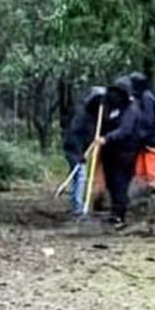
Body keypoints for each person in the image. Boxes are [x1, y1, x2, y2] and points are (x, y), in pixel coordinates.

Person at [96, 78, 140, 228]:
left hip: (125, 153)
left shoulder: (131, 110)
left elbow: (125, 130)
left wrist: (107, 138)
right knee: (111, 183)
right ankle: (115, 212)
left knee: (119, 183)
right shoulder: (112, 108)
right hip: (110, 153)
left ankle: (120, 214)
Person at [62, 87, 105, 218]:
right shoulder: (82, 115)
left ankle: (77, 205)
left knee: (78, 175)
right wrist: (79, 153)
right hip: (74, 148)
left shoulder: (94, 116)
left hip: (81, 149)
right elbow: (74, 134)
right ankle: (78, 209)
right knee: (80, 175)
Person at [128, 72, 155, 197]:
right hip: (143, 142)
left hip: (151, 141)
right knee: (140, 174)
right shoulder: (140, 98)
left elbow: (149, 121)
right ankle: (142, 199)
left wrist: (140, 135)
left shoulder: (147, 98)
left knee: (153, 174)